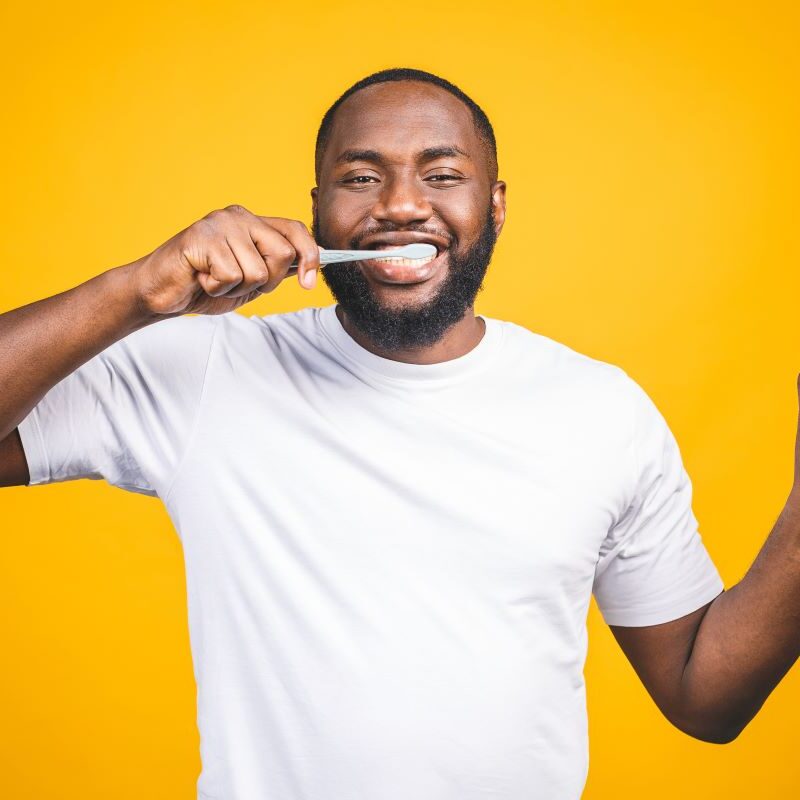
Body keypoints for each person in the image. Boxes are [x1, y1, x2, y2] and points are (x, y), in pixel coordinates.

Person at [1, 67, 799, 800]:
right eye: (361, 178)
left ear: (496, 205)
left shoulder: (603, 411)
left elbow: (706, 696)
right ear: (317, 208)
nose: (403, 205)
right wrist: (138, 290)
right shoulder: (205, 369)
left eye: (443, 175)